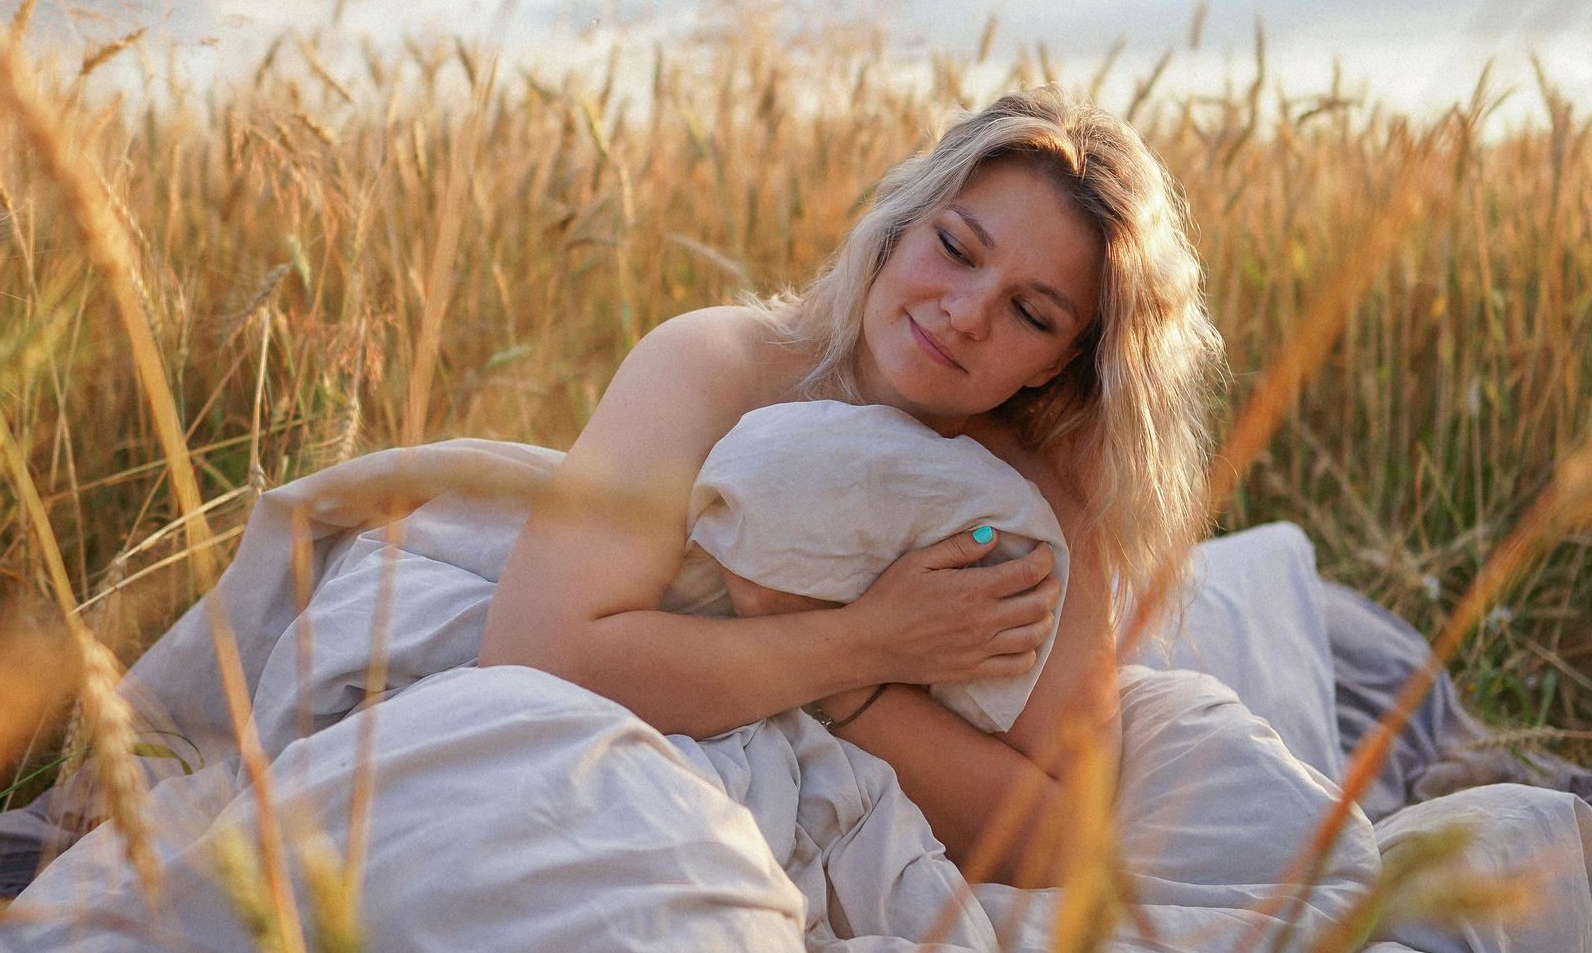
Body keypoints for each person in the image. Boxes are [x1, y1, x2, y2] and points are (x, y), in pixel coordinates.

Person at [479, 88, 1224, 884]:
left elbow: (1066, 845)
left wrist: (856, 675)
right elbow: (532, 658)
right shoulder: (715, 367)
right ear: (901, 222)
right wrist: (863, 639)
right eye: (957, 248)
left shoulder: (1039, 507)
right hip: (623, 797)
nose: (967, 313)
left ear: (1058, 361)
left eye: (1031, 313)